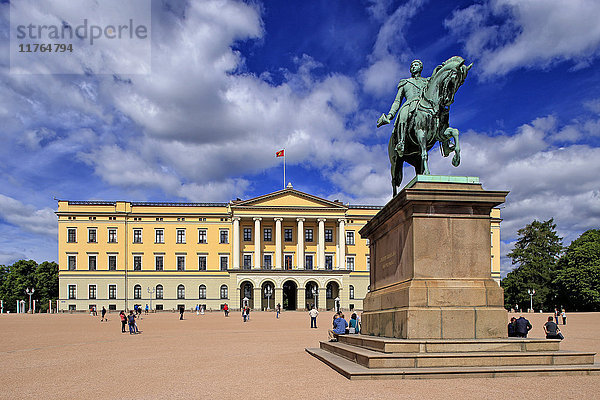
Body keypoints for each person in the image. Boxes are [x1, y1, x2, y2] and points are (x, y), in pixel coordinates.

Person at [377, 59, 429, 158]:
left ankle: (445, 143)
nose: (413, 67)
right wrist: (390, 115)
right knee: (403, 116)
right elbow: (397, 101)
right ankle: (401, 142)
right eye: (412, 66)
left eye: (416, 65)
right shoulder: (405, 83)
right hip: (409, 105)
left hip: (424, 105)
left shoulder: (426, 82)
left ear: (421, 67)